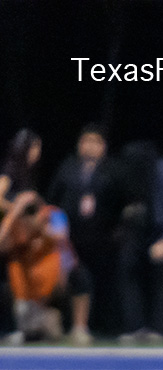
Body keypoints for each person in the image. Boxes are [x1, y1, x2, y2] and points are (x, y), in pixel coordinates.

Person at [46, 125, 124, 334]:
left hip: (103, 238)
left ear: (103, 146)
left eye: (95, 142)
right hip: (72, 239)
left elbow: (121, 200)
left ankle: (107, 326)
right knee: (74, 280)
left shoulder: (113, 170)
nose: (90, 146)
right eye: (86, 141)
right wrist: (56, 229)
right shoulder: (68, 167)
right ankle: (72, 325)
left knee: (106, 284)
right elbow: (53, 201)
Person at [1, 190, 93, 346]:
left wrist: (39, 225)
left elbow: (61, 236)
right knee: (39, 331)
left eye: (32, 208)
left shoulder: (52, 214)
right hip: (28, 287)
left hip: (55, 280)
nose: (30, 213)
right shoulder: (15, 222)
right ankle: (27, 329)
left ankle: (79, 328)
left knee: (79, 276)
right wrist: (14, 213)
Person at [114, 141, 163, 344]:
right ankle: (134, 326)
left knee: (161, 279)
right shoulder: (130, 169)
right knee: (128, 271)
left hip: (159, 229)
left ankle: (162, 328)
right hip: (137, 228)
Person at [0, 129, 42, 213]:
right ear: (24, 147)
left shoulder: (28, 174)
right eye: (34, 146)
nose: (38, 151)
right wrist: (16, 209)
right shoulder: (11, 171)